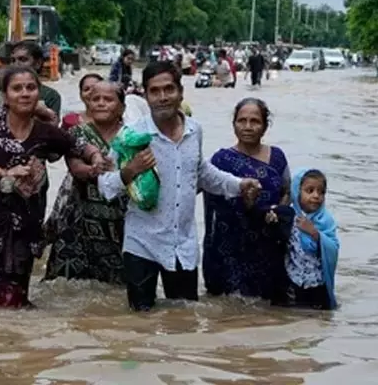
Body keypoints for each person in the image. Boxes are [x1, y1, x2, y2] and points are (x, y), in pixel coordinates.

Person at [98, 61, 262, 312]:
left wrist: (239, 185)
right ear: (145, 95)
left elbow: (202, 173)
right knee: (139, 322)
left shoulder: (195, 130)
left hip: (182, 245)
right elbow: (105, 186)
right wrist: (130, 171)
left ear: (180, 92)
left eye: (169, 89)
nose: (163, 97)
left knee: (184, 319)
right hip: (141, 243)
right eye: (155, 91)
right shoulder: (130, 136)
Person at [0, 66, 108, 308]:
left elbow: (77, 144)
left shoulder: (45, 132)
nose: (24, 93)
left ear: (38, 94)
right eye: (17, 88)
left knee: (14, 304)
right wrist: (3, 173)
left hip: (21, 229)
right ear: (5, 96)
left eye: (30, 88)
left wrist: (96, 156)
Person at [202, 98, 292, 299]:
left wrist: (277, 212)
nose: (248, 127)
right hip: (229, 251)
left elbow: (287, 191)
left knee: (268, 307)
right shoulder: (220, 160)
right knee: (230, 308)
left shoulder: (277, 157)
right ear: (233, 124)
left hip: (268, 247)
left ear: (265, 126)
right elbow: (197, 185)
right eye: (242, 121)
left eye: (255, 121)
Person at [44, 82, 128, 284]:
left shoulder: (132, 136)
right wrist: (93, 170)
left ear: (121, 107)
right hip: (79, 220)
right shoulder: (77, 133)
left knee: (117, 290)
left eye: (108, 100)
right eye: (95, 99)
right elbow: (75, 166)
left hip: (120, 222)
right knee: (66, 287)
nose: (100, 104)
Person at [43, 73, 102, 245]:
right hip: (77, 187)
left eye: (96, 88)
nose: (91, 93)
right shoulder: (72, 121)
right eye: (86, 89)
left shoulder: (122, 122)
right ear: (80, 94)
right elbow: (55, 155)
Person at [271, 169, 340, 310]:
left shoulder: (326, 220)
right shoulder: (288, 217)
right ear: (297, 192)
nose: (316, 196)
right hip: (292, 281)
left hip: (317, 283)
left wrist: (315, 233)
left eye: (321, 192)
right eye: (310, 190)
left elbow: (333, 248)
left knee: (319, 319)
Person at [10, 40, 61, 125]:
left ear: (37, 63)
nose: (16, 64)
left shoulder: (50, 96)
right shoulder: (2, 92)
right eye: (13, 60)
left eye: (22, 59)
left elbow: (52, 129)